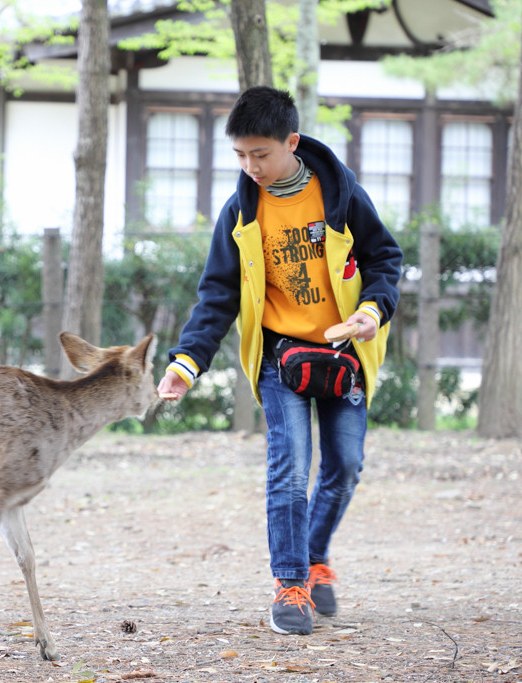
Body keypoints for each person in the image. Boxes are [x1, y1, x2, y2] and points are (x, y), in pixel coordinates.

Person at [157, 86, 403, 636]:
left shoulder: (339, 195)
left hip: (344, 354)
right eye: (241, 156)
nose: (251, 167)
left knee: (344, 467)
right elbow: (217, 294)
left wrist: (371, 310)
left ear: (291, 142)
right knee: (290, 470)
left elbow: (385, 258)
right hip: (280, 358)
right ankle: (290, 583)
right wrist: (186, 363)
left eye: (261, 154)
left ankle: (314, 558)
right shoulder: (241, 211)